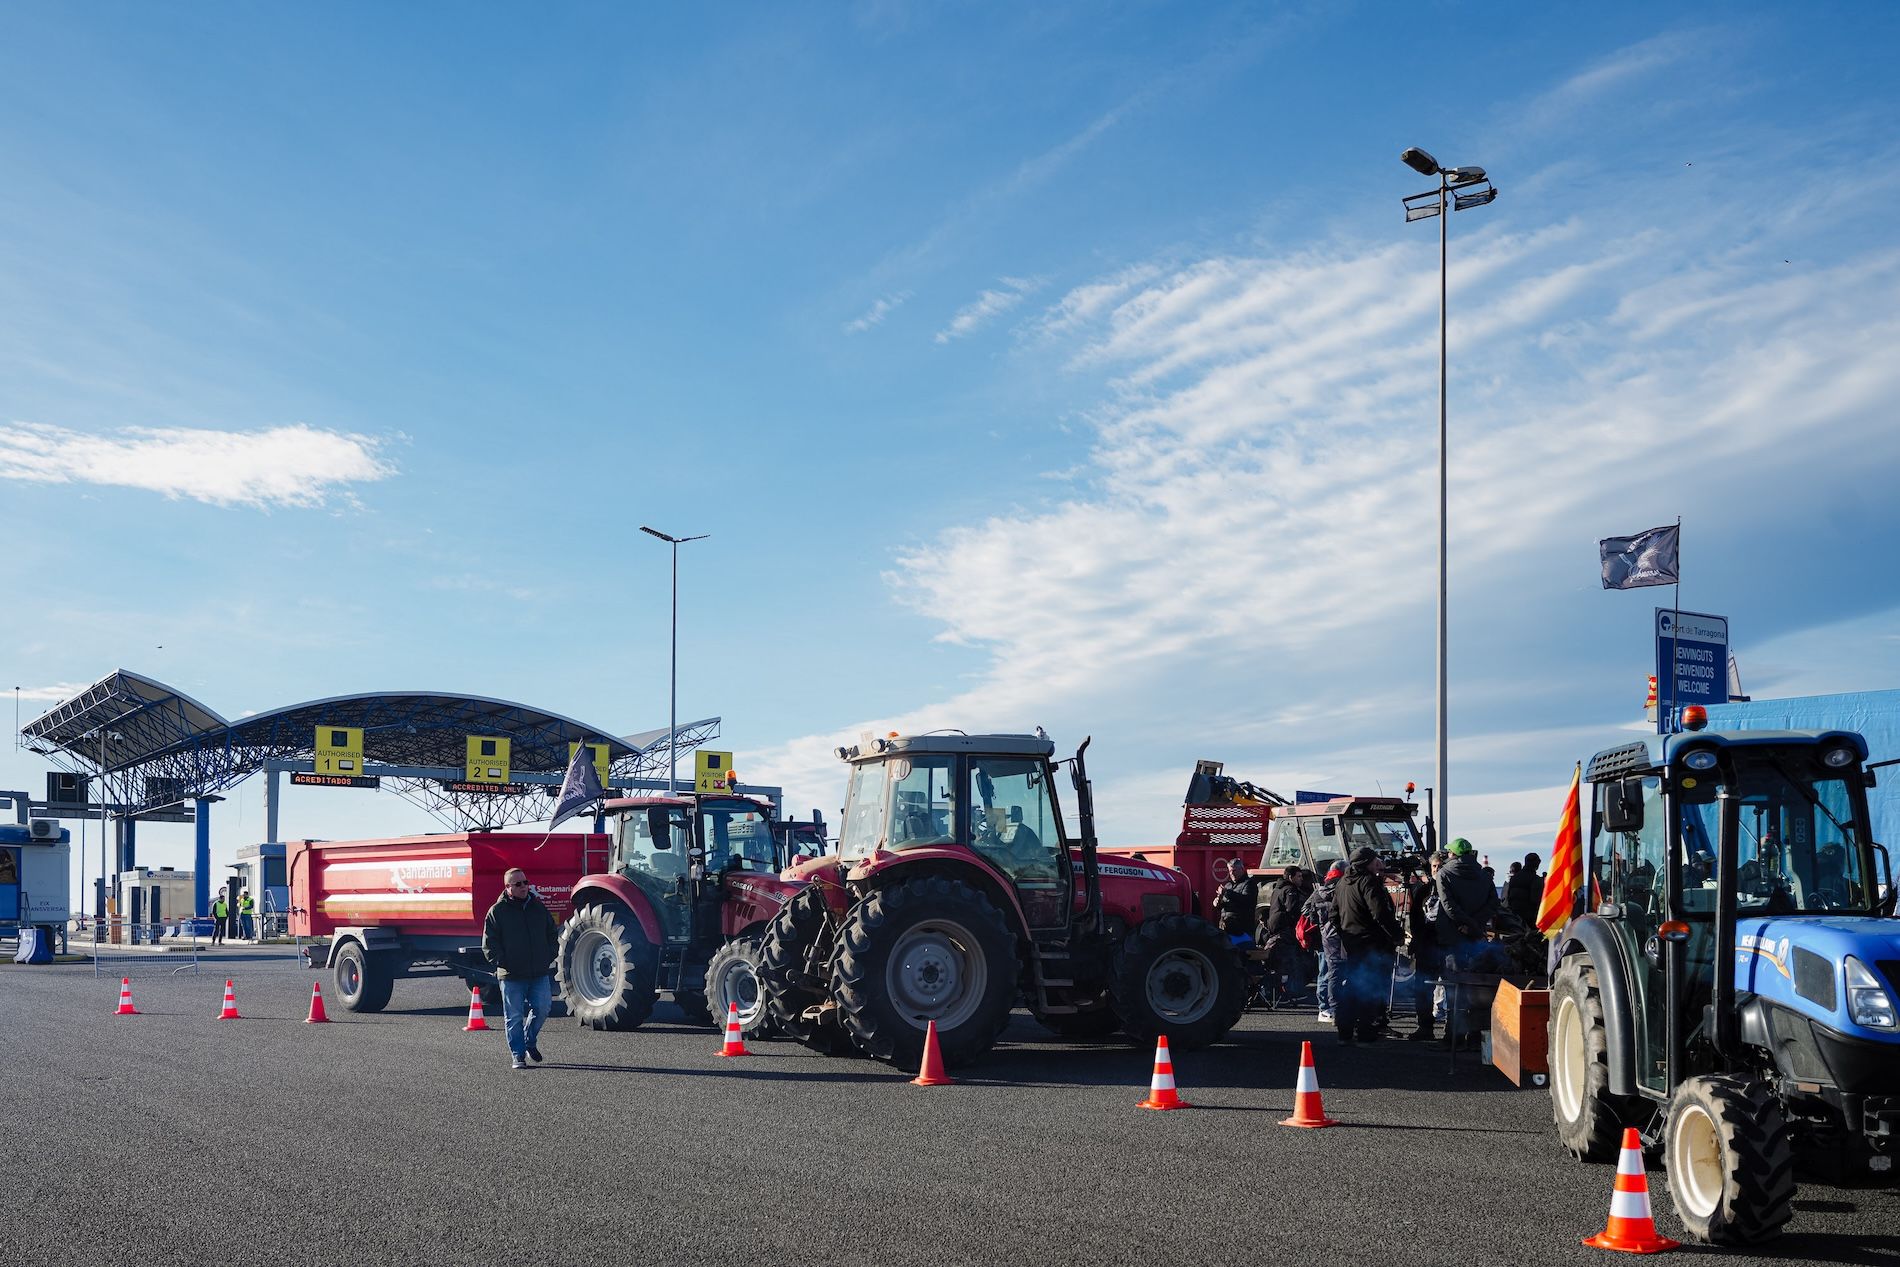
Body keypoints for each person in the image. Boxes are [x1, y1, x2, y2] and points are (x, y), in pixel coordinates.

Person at [483, 869, 560, 1071]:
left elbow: (552, 933)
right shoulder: (497, 912)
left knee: (543, 1008)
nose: (524, 886)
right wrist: (505, 962)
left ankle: (529, 1041)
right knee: (514, 1017)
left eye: (525, 882)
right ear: (508, 887)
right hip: (512, 975)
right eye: (518, 884)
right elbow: (489, 944)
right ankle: (518, 1054)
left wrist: (548, 956)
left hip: (538, 972)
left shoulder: (538, 907)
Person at [1333, 846, 1402, 1045]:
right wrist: (1397, 935)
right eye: (1374, 860)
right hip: (1371, 945)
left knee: (1351, 987)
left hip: (1351, 944)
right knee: (1368, 989)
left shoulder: (1342, 883)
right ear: (1367, 863)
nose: (1377, 864)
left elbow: (1333, 914)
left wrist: (1345, 936)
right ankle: (1365, 1033)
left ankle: (1345, 1032)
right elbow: (1380, 913)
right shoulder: (1368, 882)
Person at [1435, 838, 1500, 1049]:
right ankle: (1474, 1037)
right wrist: (1475, 924)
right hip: (1475, 936)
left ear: (1452, 854)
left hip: (1452, 937)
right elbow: (1493, 903)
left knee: (1454, 988)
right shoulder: (1484, 875)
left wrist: (1464, 924)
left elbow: (1448, 906)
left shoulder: (1444, 873)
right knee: (1476, 988)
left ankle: (1453, 1038)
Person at [1404, 851, 1447, 1043]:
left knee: (1450, 988)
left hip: (1446, 945)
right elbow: (1414, 918)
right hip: (1426, 944)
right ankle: (1424, 1027)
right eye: (1434, 866)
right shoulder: (1423, 890)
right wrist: (1416, 940)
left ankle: (1451, 1032)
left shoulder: (1452, 889)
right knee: (1422, 988)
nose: (1437, 870)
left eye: (1440, 866)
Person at [1258, 867, 1312, 999]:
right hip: (1286, 931)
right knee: (1292, 962)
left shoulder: (1277, 889)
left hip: (1276, 930)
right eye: (1298, 876)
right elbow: (1292, 910)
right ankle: (1292, 992)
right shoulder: (1290, 890)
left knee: (1281, 964)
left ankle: (1281, 992)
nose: (1301, 879)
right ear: (1290, 877)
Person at [1302, 864, 1346, 1024]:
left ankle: (1324, 1008)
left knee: (1325, 972)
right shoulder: (1341, 890)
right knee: (1336, 973)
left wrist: (1320, 922)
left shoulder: (1319, 891)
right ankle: (1332, 1007)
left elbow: (1306, 910)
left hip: (1323, 937)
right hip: (1340, 936)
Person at [1505, 852, 1544, 925]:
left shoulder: (1514, 878)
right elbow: (1536, 899)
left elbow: (1508, 896)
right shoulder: (1536, 879)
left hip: (1514, 915)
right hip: (1530, 917)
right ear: (1537, 864)